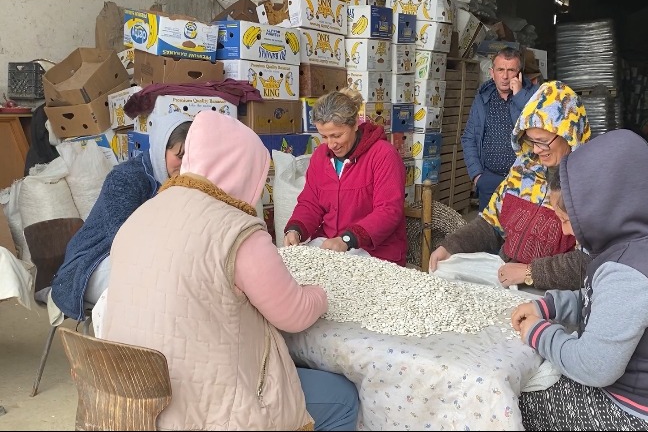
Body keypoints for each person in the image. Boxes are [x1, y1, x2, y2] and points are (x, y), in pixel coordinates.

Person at [101, 111, 359, 431]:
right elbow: (294, 314)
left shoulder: (141, 215)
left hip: (131, 400)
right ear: (245, 170)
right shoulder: (239, 231)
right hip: (205, 407)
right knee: (343, 398)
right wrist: (320, 292)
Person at [512, 129, 648, 430]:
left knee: (510, 400)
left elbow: (594, 367)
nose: (566, 232)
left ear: (600, 211)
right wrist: (550, 308)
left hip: (642, 417)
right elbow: (601, 301)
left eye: (568, 221)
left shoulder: (628, 274)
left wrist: (538, 333)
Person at [430, 81, 592, 291]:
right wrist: (451, 246)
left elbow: (588, 262)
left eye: (542, 141)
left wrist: (529, 272)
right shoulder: (523, 169)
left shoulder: (590, 185)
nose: (536, 150)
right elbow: (491, 224)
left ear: (568, 134)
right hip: (507, 282)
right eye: (531, 141)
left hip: (554, 297)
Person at [49, 112, 192, 322]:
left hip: (149, 261)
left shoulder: (190, 182)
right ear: (162, 147)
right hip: (95, 260)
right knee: (156, 297)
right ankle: (137, 353)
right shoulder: (126, 178)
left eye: (192, 156)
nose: (185, 164)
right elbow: (123, 240)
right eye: (179, 156)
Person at [283, 88, 407, 266]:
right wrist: (296, 229)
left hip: (376, 251)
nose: (331, 144)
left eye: (337, 135)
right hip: (330, 243)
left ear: (355, 123)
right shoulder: (320, 157)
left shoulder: (383, 155)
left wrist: (347, 239)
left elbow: (388, 211)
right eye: (324, 136)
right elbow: (310, 203)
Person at [462, 47, 540, 212]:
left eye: (511, 70)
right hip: (489, 180)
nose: (505, 76)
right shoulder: (482, 98)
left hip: (525, 180)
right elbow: (469, 137)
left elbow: (536, 127)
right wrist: (477, 176)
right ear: (492, 72)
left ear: (519, 74)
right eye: (500, 70)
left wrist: (519, 96)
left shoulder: (534, 96)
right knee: (488, 234)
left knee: (520, 233)